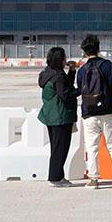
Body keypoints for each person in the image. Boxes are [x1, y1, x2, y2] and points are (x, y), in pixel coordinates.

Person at [76, 34, 112, 188]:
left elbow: (80, 91)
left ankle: (94, 179)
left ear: (84, 51)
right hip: (109, 113)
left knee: (92, 146)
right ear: (99, 48)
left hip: (89, 114)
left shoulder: (81, 71)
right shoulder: (108, 66)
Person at [38, 46, 79, 187]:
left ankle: (57, 176)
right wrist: (81, 91)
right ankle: (56, 178)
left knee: (56, 147)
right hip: (60, 116)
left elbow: (63, 86)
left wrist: (72, 72)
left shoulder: (47, 73)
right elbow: (65, 94)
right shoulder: (59, 76)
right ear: (60, 60)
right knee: (60, 148)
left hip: (50, 115)